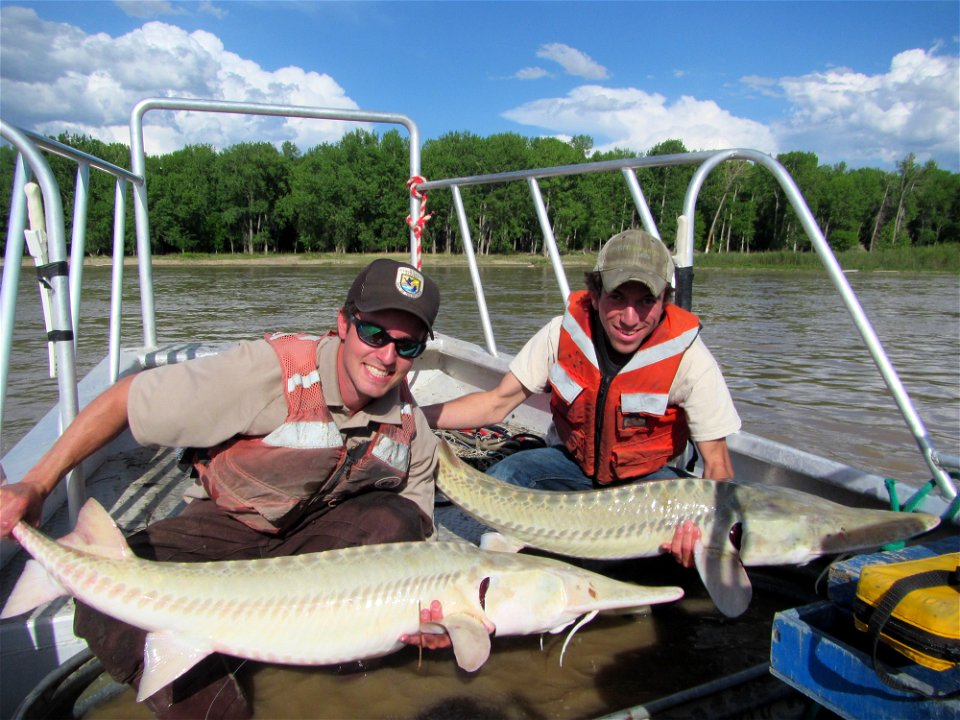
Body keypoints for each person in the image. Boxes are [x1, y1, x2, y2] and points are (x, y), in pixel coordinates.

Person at [0, 259, 449, 719]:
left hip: (313, 554)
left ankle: (338, 683)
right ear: (343, 323)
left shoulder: (413, 430)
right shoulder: (268, 372)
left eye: (407, 344)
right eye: (374, 334)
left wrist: (429, 619)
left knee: (395, 519)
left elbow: (420, 553)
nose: (387, 356)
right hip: (224, 528)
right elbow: (125, 401)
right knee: (106, 608)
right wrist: (37, 483)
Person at [424, 229, 741, 568]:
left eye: (646, 300)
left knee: (684, 544)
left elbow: (718, 466)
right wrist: (413, 414)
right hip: (570, 465)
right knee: (506, 476)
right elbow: (496, 402)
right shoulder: (560, 334)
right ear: (595, 291)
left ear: (664, 299)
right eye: (617, 296)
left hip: (648, 482)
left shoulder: (690, 358)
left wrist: (703, 533)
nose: (630, 318)